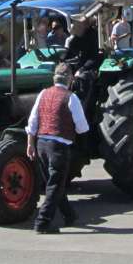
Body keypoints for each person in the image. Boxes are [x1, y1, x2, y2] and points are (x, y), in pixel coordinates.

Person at [26, 63, 89, 233]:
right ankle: (42, 223)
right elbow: (82, 127)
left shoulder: (43, 94)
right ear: (70, 80)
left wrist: (30, 143)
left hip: (41, 144)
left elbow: (32, 121)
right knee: (54, 186)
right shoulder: (71, 98)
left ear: (54, 78)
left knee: (54, 183)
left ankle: (69, 215)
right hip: (58, 148)